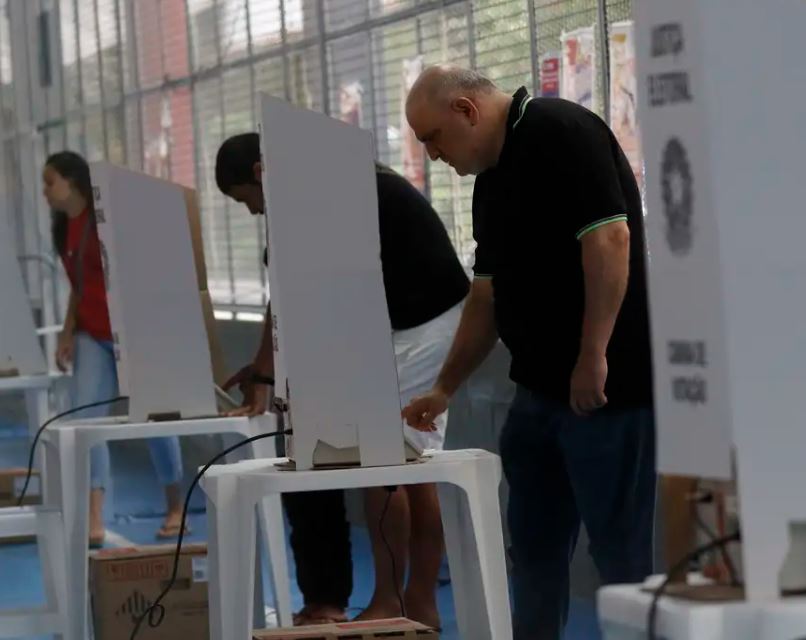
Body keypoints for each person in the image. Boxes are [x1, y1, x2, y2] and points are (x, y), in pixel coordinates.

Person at [402, 66, 655, 639]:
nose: (432, 154)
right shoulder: (491, 181)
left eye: (431, 137)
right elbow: (487, 293)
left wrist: (594, 354)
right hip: (539, 394)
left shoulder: (560, 129)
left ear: (466, 110)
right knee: (534, 551)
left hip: (608, 392)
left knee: (620, 557)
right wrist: (445, 387)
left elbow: (609, 238)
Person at [215, 133, 469, 628]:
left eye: (245, 199)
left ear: (261, 174)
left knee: (384, 463)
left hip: (423, 324)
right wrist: (269, 368)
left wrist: (266, 373)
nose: (250, 213)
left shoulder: (311, 194)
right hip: (420, 319)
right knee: (410, 466)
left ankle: (394, 602)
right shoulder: (335, 181)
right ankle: (417, 603)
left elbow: (285, 297)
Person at [43, 151, 189, 547]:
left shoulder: (106, 219)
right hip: (92, 335)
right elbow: (78, 286)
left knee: (155, 420)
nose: (44, 191)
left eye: (49, 181)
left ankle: (175, 504)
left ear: (73, 181)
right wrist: (67, 331)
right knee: (88, 424)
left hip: (132, 333)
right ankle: (94, 516)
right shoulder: (63, 229)